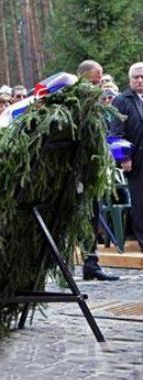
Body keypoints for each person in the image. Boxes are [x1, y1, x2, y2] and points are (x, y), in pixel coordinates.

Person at [77, 60, 119, 281]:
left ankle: (90, 263)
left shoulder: (97, 103)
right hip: (78, 171)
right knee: (81, 217)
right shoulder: (77, 103)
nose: (99, 84)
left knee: (93, 215)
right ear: (84, 78)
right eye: (95, 80)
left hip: (94, 169)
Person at [111, 62, 143, 256]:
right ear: (130, 80)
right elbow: (115, 134)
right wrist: (124, 159)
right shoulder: (122, 101)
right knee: (140, 203)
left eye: (142, 77)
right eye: (136, 78)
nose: (140, 80)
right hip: (136, 160)